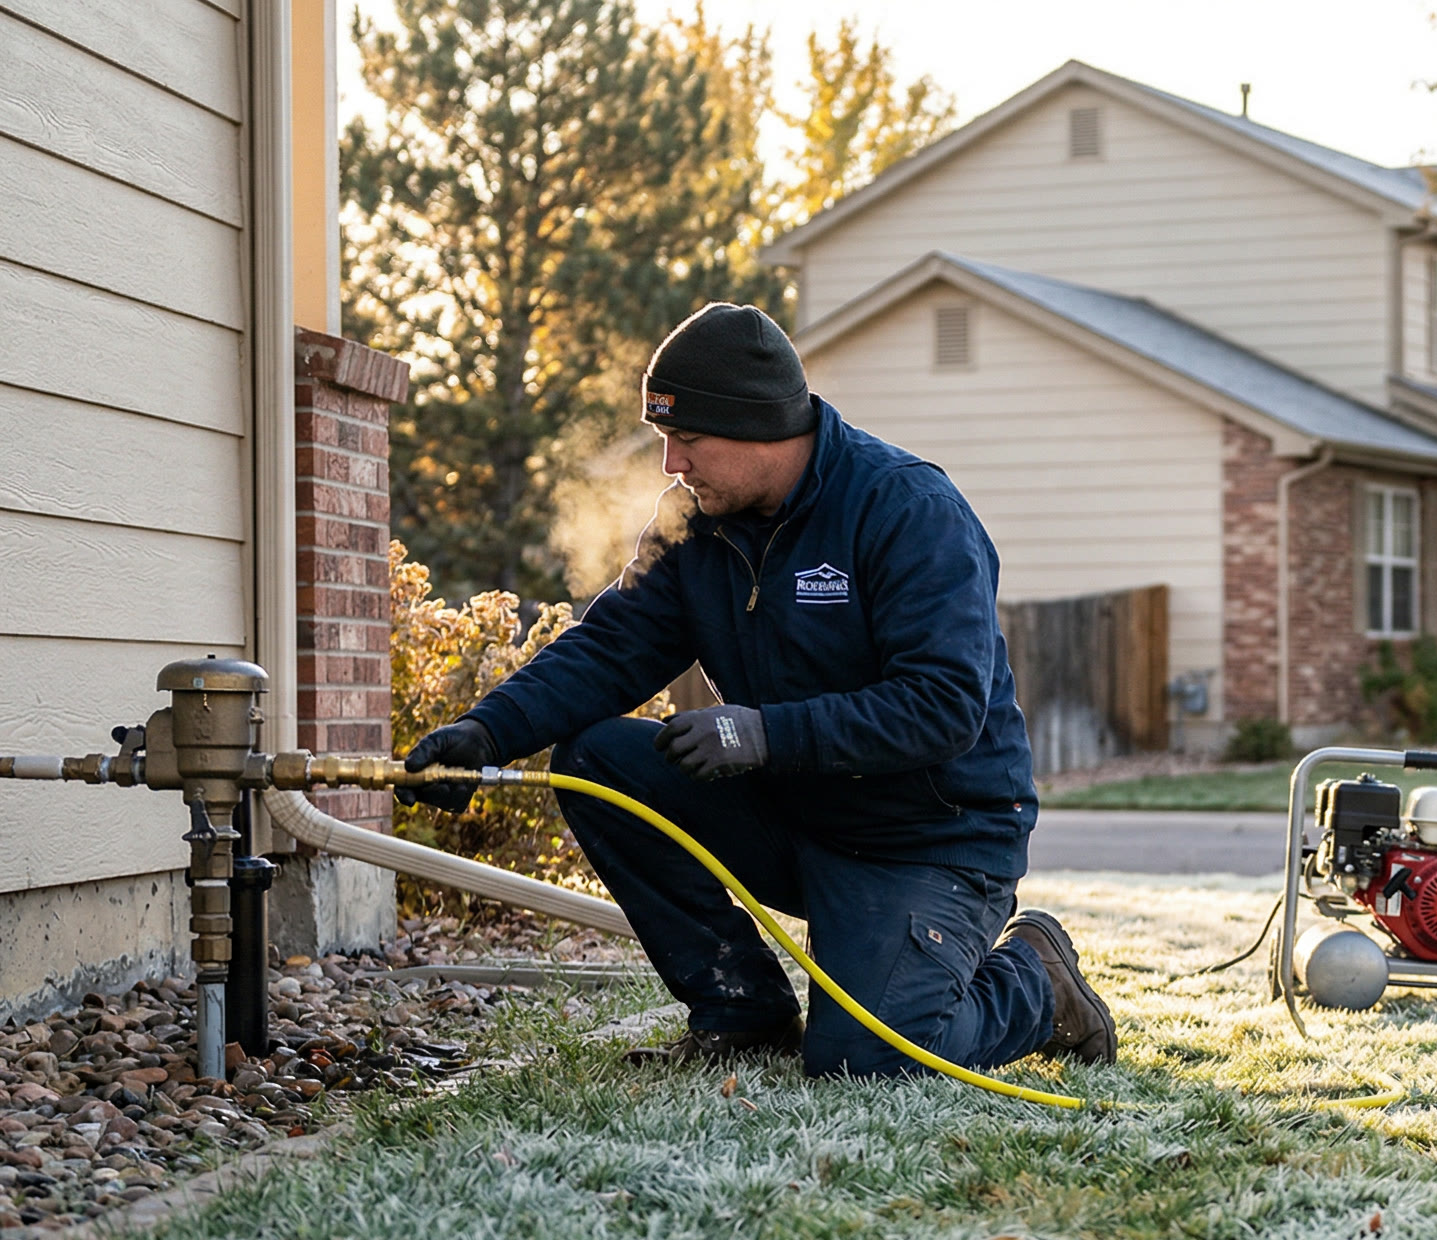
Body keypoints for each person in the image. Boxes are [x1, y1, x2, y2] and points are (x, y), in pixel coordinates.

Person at [399, 302, 1114, 1076]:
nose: (672, 463)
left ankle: (1037, 982)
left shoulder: (906, 510)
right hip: (794, 814)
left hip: (929, 841)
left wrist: (763, 734)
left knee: (866, 1062)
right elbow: (611, 646)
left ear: (759, 426)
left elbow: (944, 705)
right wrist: (488, 731)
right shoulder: (695, 525)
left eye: (688, 440)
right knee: (600, 759)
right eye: (664, 439)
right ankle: (741, 1011)